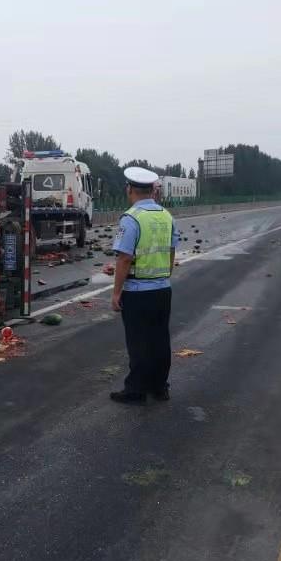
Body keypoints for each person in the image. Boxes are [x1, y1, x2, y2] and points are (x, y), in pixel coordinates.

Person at [109, 167, 179, 404]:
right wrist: (165, 275)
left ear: (129, 189)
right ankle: (160, 388)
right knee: (160, 340)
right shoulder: (166, 216)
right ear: (152, 190)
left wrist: (116, 292)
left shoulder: (131, 219)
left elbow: (124, 258)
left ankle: (136, 391)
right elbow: (171, 250)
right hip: (163, 289)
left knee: (138, 341)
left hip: (138, 292)